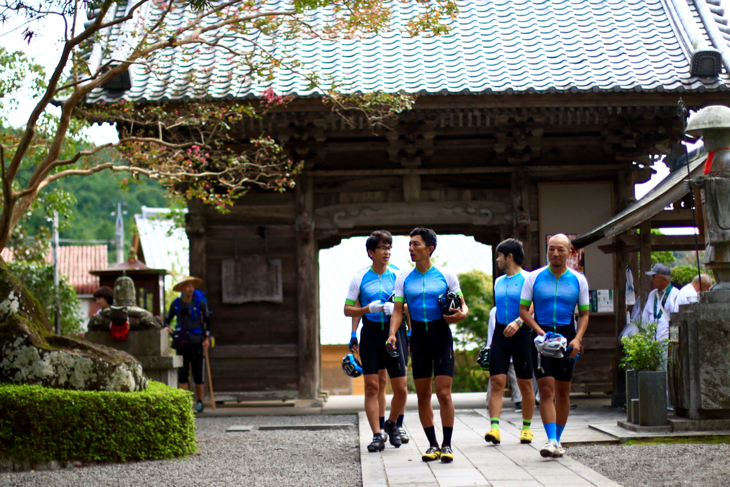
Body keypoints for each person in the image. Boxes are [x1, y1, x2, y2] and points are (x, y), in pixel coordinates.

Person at [388, 227, 469, 463]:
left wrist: (460, 316)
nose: (411, 248)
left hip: (441, 335)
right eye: (410, 244)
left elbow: (463, 307)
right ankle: (432, 445)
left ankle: (447, 444)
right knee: (423, 395)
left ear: (429, 248)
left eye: (416, 244)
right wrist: (393, 333)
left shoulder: (447, 275)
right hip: (419, 339)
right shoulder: (403, 278)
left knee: (444, 394)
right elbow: (397, 311)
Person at [519, 234, 589, 458]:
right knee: (547, 389)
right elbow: (523, 311)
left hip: (568, 337)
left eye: (560, 249)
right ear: (546, 251)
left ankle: (558, 440)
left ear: (570, 253)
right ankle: (550, 440)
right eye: (551, 249)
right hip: (541, 337)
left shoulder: (579, 280)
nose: (555, 253)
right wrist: (540, 332)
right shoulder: (534, 277)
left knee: (563, 391)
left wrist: (577, 339)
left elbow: (586, 314)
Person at [344, 230, 408, 452]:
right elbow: (347, 309)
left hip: (395, 334)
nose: (387, 251)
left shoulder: (399, 276)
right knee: (372, 386)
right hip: (370, 333)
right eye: (382, 248)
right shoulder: (359, 278)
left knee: (401, 388)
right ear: (371, 252)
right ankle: (376, 435)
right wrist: (366, 309)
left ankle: (393, 424)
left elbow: (411, 306)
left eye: (389, 247)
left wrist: (398, 309)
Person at [484, 238, 535, 446]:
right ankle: (494, 428)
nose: (497, 260)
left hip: (522, 335)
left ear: (509, 257)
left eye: (499, 256)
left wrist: (519, 322)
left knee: (525, 385)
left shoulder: (528, 279)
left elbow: (533, 305)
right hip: (500, 334)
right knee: (496, 381)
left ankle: (526, 428)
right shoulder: (498, 281)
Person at [164, 276, 211, 413]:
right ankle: (185, 402)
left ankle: (200, 402)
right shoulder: (176, 304)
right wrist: (167, 328)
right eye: (187, 286)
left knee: (198, 373)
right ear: (182, 289)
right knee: (183, 373)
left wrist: (207, 338)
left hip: (197, 342)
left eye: (192, 286)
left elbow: (207, 322)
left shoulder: (199, 303)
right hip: (182, 342)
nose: (190, 289)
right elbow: (167, 320)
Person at [485, 306, 522, 410]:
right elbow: (492, 329)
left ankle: (518, 400)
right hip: (498, 346)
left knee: (511, 376)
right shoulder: (496, 311)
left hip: (505, 346)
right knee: (496, 378)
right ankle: (491, 401)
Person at [640, 263, 680, 342]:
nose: (652, 280)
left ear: (664, 280)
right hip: (651, 342)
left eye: (654, 278)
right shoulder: (652, 294)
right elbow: (645, 316)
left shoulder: (676, 294)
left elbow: (676, 321)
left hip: (666, 342)